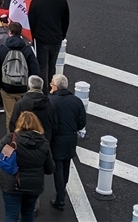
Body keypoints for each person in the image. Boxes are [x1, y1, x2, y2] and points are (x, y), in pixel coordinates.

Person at [0, 111, 55, 222]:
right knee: (28, 214)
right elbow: (50, 168)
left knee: (11, 216)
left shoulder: (11, 138)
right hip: (33, 186)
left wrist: (6, 166)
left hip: (12, 183)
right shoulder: (43, 143)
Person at [48, 74, 87, 211]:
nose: (50, 85)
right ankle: (62, 189)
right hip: (70, 138)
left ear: (56, 87)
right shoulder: (76, 101)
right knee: (66, 165)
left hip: (56, 139)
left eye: (52, 83)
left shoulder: (50, 100)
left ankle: (60, 198)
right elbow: (82, 122)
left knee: (57, 168)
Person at [0, 22, 40, 130]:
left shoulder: (1, 49)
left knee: (10, 116)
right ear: (20, 33)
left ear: (9, 32)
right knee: (25, 115)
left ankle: (12, 140)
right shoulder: (27, 49)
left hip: (7, 88)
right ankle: (24, 137)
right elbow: (34, 69)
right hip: (23, 88)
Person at [28, 0, 69, 93]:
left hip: (41, 38)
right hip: (56, 38)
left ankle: (44, 90)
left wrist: (32, 36)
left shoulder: (36, 1)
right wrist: (62, 35)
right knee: (52, 65)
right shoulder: (62, 1)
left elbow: (31, 20)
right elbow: (66, 21)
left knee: (42, 66)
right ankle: (53, 88)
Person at [9, 76, 57, 147]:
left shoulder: (21, 104)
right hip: (44, 142)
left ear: (28, 87)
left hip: (23, 142)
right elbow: (54, 125)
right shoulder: (49, 104)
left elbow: (12, 124)